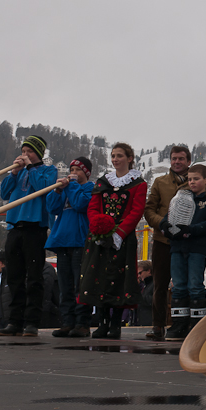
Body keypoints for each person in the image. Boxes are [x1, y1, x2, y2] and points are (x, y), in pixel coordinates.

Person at [80, 142, 147, 339]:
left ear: (130, 158)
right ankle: (102, 323)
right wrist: (98, 227)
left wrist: (119, 233)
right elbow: (93, 208)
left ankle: (116, 324)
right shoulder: (103, 182)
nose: (115, 159)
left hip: (123, 239)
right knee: (98, 278)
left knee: (119, 281)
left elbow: (136, 211)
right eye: (113, 156)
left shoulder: (138, 184)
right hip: (100, 238)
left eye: (119, 156)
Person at [0, 135, 57, 337]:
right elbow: (5, 193)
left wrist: (30, 167)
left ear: (38, 154)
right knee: (13, 276)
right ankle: (14, 321)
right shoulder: (19, 172)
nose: (24, 155)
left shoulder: (49, 170)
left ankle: (31, 321)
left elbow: (43, 188)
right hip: (15, 227)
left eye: (28, 152)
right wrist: (13, 172)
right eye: (23, 151)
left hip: (35, 228)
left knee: (34, 278)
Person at [159, 164, 206, 340]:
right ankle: (179, 323)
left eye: (196, 179)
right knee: (178, 285)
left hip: (196, 248)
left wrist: (191, 229)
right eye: (190, 179)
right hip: (177, 247)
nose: (192, 182)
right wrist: (164, 225)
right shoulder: (181, 197)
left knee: (195, 285)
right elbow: (169, 216)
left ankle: (197, 324)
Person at [144, 146, 191, 341]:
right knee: (160, 284)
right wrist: (160, 223)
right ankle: (158, 325)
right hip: (162, 240)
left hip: (187, 242)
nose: (177, 162)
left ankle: (185, 325)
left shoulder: (195, 181)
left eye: (181, 158)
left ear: (188, 161)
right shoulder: (159, 182)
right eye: (174, 158)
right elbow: (149, 210)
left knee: (186, 285)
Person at [46, 157, 95, 338]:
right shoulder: (66, 190)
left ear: (86, 173)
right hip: (62, 242)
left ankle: (82, 323)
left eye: (78, 170)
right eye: (71, 169)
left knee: (80, 285)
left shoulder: (90, 188)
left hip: (80, 242)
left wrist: (72, 185)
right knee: (65, 286)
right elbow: (52, 208)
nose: (73, 173)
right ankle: (67, 321)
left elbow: (81, 204)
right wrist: (58, 190)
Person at [137, 260, 154, 327]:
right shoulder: (145, 285)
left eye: (140, 273)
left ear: (149, 271)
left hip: (149, 323)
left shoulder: (155, 284)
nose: (138, 276)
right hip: (143, 322)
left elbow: (155, 301)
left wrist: (138, 297)